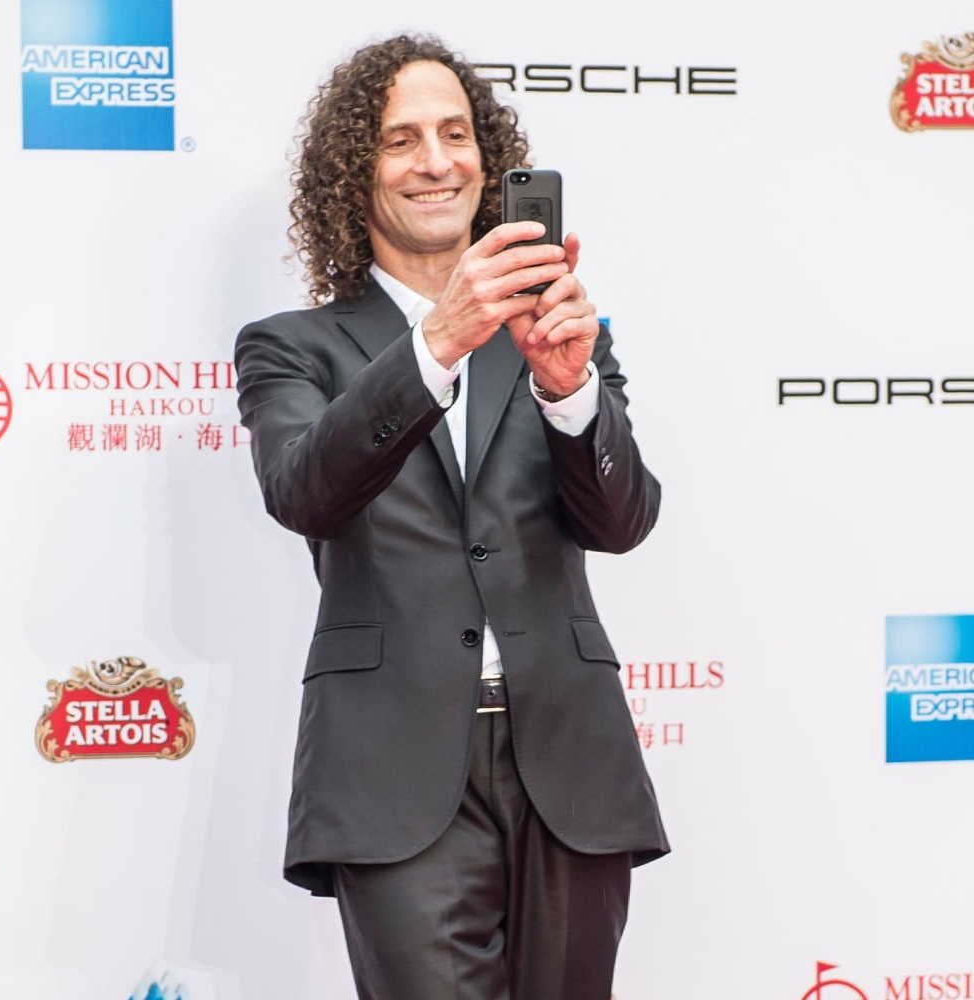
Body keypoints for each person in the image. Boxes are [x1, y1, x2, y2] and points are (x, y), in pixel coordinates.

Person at [235, 31, 669, 1000]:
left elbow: (623, 519)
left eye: (455, 133)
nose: (436, 161)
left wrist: (570, 392)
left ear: (487, 156)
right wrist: (437, 341)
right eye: (400, 140)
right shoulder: (291, 346)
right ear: (354, 174)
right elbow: (304, 489)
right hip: (391, 768)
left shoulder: (563, 329)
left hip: (571, 761)